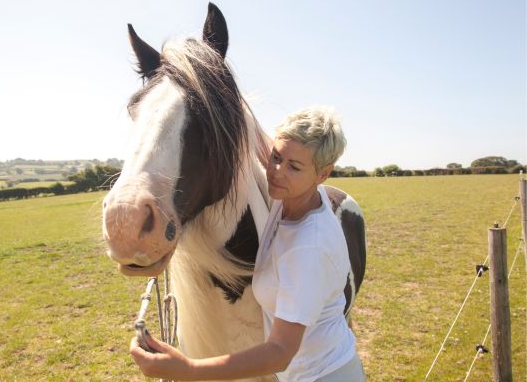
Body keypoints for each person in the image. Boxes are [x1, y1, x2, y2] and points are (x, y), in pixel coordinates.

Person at [130, 106, 365, 381]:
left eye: (294, 167)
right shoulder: (293, 194)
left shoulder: (308, 247)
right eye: (276, 157)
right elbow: (249, 130)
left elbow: (280, 351)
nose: (276, 171)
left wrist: (187, 369)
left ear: (323, 175)